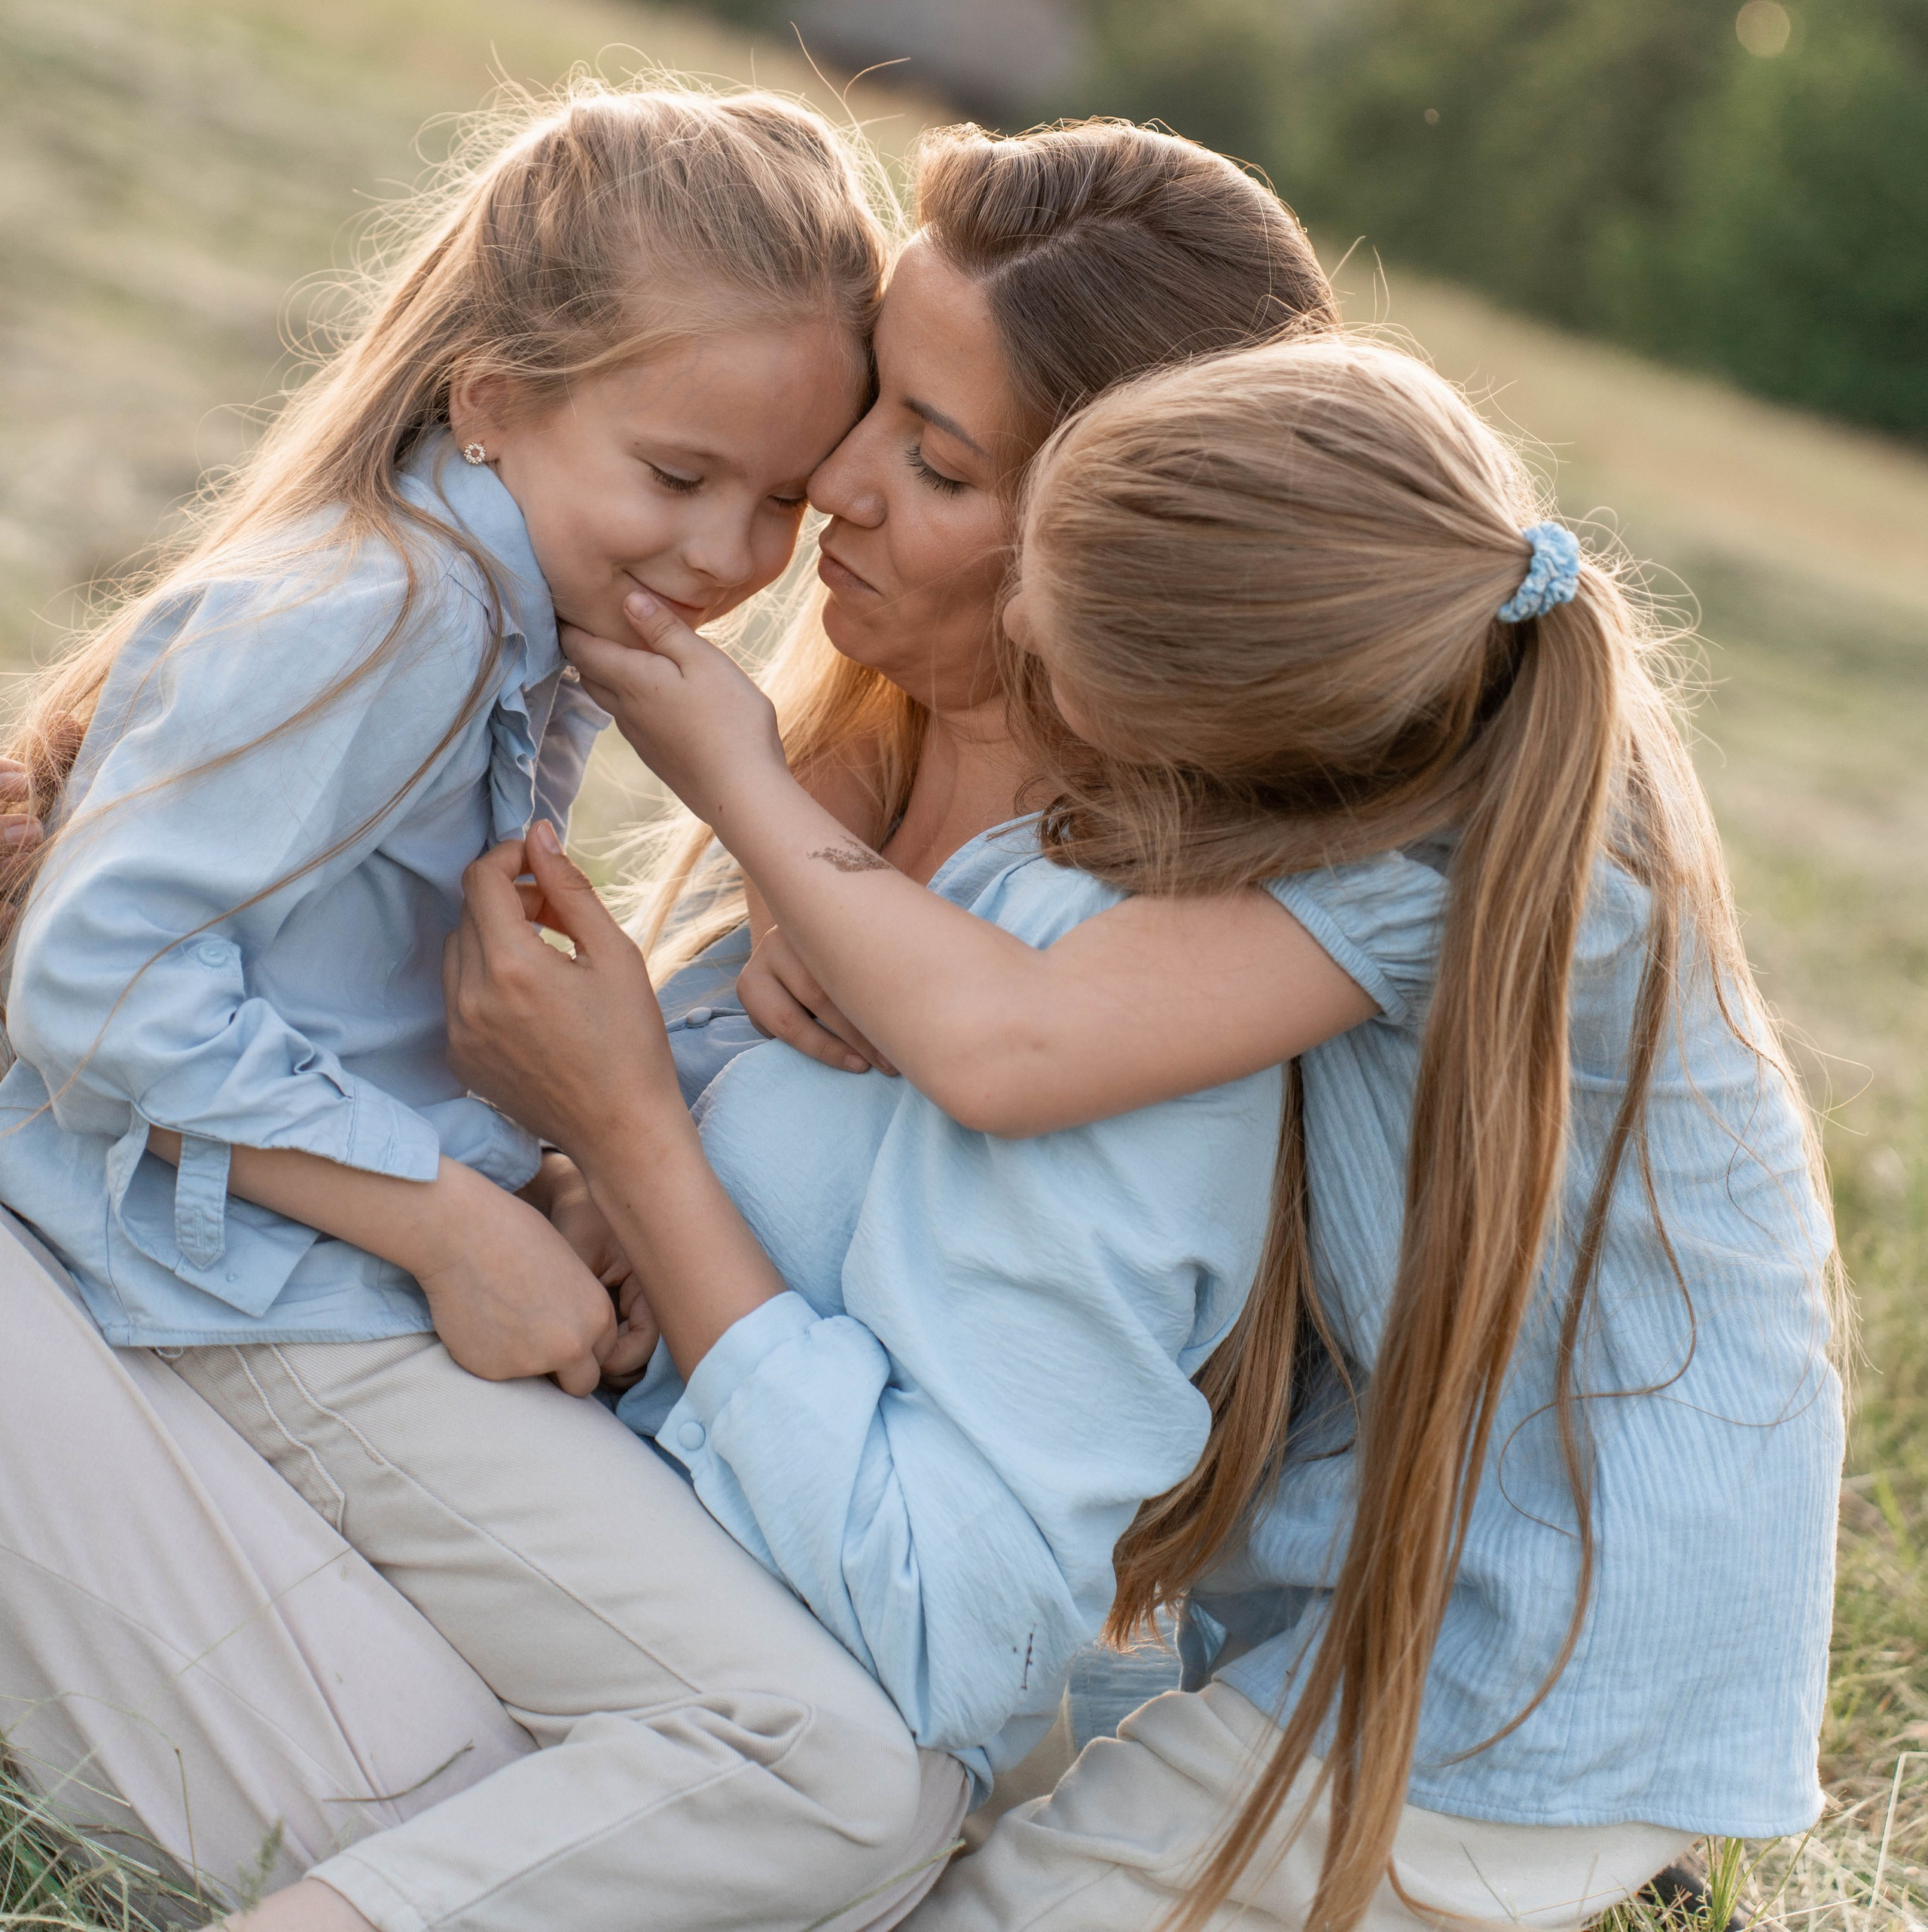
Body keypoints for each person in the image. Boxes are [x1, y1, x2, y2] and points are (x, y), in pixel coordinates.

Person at [0, 117, 1341, 1930]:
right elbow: (160, 974)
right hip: (281, 1321)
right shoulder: (489, 638)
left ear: (1101, 556)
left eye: (910, 460)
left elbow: (965, 1627)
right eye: (848, 425)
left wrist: (619, 1138)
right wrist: (522, 1181)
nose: (796, 521)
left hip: (430, 1408)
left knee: (796, 1816)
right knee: (798, 1815)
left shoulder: (1105, 985)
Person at [548, 331, 1839, 1932]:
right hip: (1465, 1604)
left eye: (1055, 630)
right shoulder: (1456, 739)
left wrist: (739, 774)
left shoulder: (1427, 868)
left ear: (1221, 728)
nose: (1014, 620)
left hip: (1526, 1672)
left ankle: (1550, 1890)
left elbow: (1005, 1047)